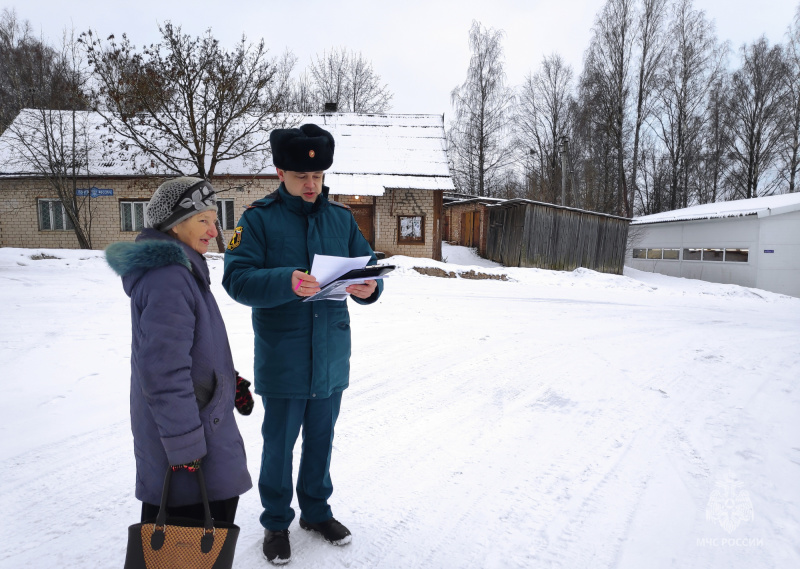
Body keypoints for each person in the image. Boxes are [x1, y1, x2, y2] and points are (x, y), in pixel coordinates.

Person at [222, 124, 384, 565]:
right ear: (280, 172)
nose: (311, 185)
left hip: (330, 356)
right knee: (279, 445)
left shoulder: (341, 219)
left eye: (318, 176)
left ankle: (316, 511)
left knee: (321, 440)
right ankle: (276, 522)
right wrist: (285, 281)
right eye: (300, 177)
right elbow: (236, 279)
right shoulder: (257, 219)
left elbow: (367, 267)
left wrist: (370, 288)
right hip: (284, 357)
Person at [106, 176, 253, 527]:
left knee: (190, 549)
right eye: (203, 220)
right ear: (174, 225)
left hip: (198, 429)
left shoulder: (182, 272)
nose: (214, 231)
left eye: (215, 220)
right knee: (184, 549)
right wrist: (185, 447)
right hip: (188, 445)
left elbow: (195, 350)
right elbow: (162, 370)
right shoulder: (169, 278)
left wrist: (228, 383)